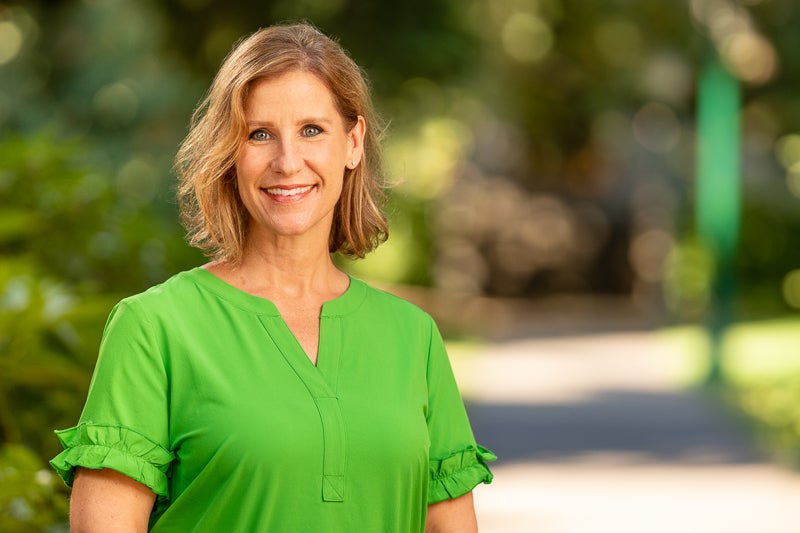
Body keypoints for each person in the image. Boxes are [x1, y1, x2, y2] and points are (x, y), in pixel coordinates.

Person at [51, 22, 494, 532]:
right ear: (229, 153)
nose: (287, 162)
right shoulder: (155, 328)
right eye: (259, 134)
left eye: (312, 130)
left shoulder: (414, 338)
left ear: (352, 143)